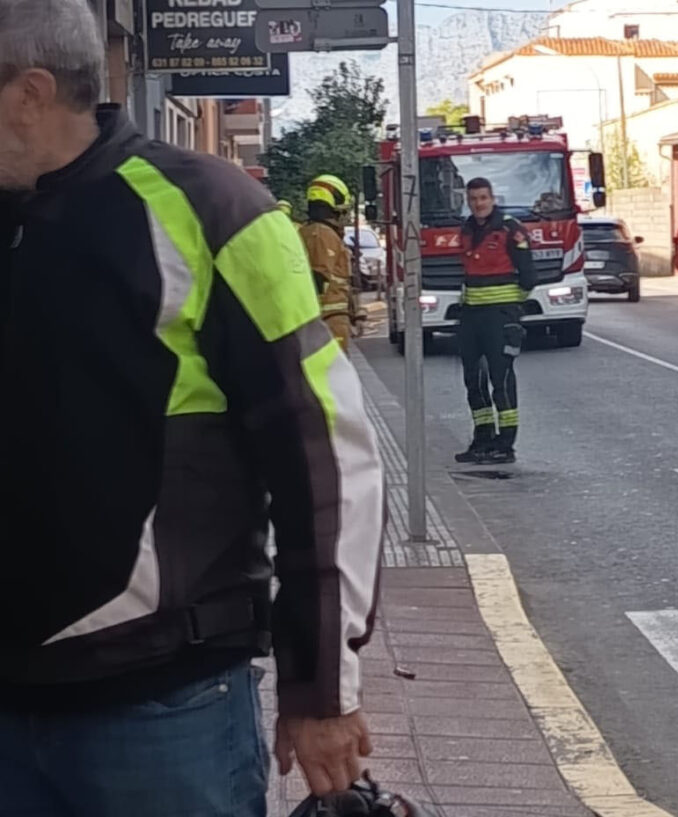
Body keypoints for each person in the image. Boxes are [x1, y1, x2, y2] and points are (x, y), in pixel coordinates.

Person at [0, 1, 386, 813]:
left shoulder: (207, 206)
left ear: (27, 93)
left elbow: (323, 450)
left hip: (158, 710)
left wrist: (322, 686)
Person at [455, 177, 538, 465]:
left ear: (493, 199)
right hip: (472, 317)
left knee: (500, 380)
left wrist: (512, 307)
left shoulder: (509, 229)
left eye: (483, 198)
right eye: (473, 198)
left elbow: (529, 275)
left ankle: (505, 444)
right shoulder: (466, 230)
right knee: (473, 381)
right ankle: (483, 439)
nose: (478, 203)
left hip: (500, 317)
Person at [300, 174, 358, 350]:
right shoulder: (323, 235)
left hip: (328, 319)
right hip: (329, 321)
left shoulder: (311, 232)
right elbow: (318, 278)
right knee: (335, 373)